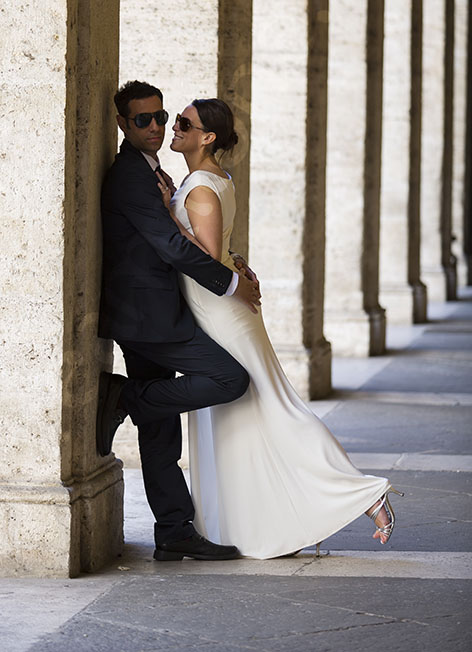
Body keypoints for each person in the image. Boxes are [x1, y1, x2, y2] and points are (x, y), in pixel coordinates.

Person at [157, 97, 403, 558]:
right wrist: (240, 263)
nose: (174, 127)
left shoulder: (201, 188)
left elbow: (207, 261)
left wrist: (171, 221)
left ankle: (364, 493)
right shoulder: (211, 179)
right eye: (176, 120)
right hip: (217, 307)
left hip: (219, 312)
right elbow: (225, 249)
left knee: (274, 405)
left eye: (183, 123)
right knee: (237, 415)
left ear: (207, 137)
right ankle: (260, 521)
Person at [96, 80, 262, 562]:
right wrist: (230, 284)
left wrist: (231, 260)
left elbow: (178, 233)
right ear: (124, 124)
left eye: (162, 117)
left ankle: (172, 530)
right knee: (229, 378)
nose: (156, 126)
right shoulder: (130, 173)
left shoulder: (154, 170)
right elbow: (169, 246)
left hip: (152, 312)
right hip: (148, 317)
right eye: (143, 120)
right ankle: (127, 395)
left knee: (161, 424)